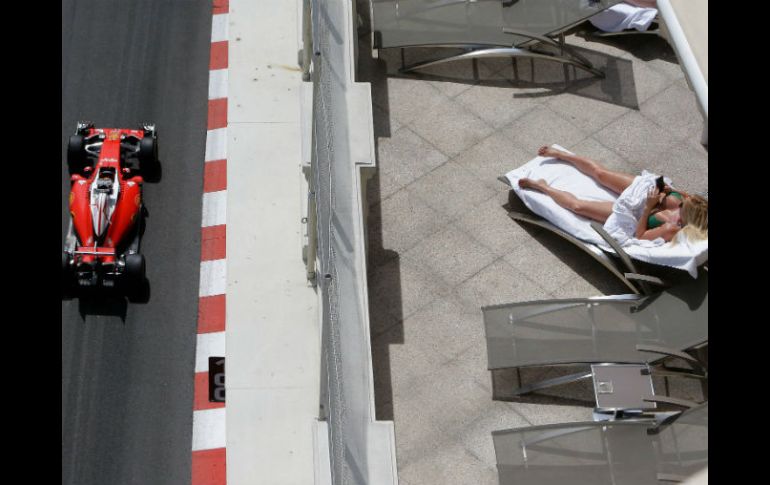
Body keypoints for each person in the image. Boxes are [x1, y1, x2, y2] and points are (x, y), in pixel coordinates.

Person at [518, 146, 708, 243]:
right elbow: (664, 185)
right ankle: (562, 155)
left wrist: (649, 207)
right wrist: (662, 190)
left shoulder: (671, 228)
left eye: (684, 206)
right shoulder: (685, 200)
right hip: (641, 194)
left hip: (632, 216)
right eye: (685, 201)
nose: (683, 202)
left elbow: (640, 236)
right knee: (601, 174)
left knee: (578, 206)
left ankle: (542, 187)